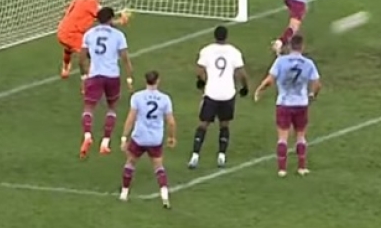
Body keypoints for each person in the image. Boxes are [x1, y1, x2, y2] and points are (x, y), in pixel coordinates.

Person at [255, 34, 321, 177]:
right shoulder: (308, 63)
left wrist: (259, 90)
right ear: (302, 46)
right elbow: (317, 84)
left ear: (290, 46)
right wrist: (312, 95)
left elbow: (269, 80)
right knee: (301, 136)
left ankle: (282, 169)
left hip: (284, 103)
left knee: (282, 137)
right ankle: (301, 167)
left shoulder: (280, 61)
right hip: (301, 104)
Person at [189, 25, 249, 169]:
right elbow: (242, 74)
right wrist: (245, 87)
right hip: (228, 94)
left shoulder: (206, 51)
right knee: (224, 124)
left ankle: (195, 156)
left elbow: (199, 71)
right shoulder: (234, 52)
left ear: (214, 36)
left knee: (203, 124)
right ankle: (221, 156)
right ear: (226, 36)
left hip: (211, 93)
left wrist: (202, 81)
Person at [78, 7, 134, 158]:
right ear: (111, 19)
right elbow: (125, 58)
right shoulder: (118, 35)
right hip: (112, 76)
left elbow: (81, 59)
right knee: (112, 108)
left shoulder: (89, 34)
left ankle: (87, 135)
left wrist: (84, 77)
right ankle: (105, 142)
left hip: (94, 75)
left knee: (88, 107)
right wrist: (129, 78)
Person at [119, 70, 176, 208]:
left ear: (146, 81)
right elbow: (171, 122)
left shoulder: (137, 97)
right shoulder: (165, 99)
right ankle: (164, 196)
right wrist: (171, 137)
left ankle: (124, 193)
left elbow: (131, 118)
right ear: (158, 81)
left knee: (130, 163)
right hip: (155, 139)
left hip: (139, 137)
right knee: (158, 167)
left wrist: (124, 137)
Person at [57, 0, 129, 81]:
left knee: (69, 47)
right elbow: (105, 20)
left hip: (62, 30)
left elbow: (100, 10)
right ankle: (87, 81)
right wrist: (121, 21)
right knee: (91, 54)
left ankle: (65, 68)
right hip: (71, 34)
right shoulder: (91, 3)